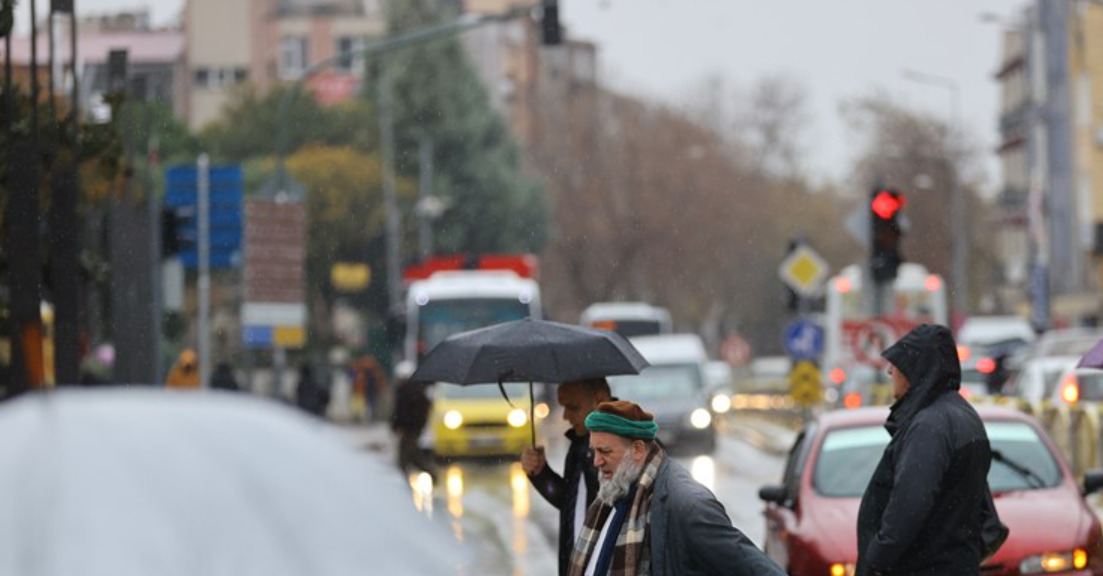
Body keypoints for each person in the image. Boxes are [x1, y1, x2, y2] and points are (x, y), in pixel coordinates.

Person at [568, 400, 785, 576]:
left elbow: (753, 568)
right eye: (593, 451)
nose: (596, 461)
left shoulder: (687, 504)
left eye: (605, 451)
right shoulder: (616, 492)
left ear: (636, 449)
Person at [856, 324, 1007, 576]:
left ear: (916, 370)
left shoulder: (929, 426)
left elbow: (909, 505)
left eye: (898, 363)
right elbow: (981, 511)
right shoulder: (963, 416)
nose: (890, 370)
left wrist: (877, 560)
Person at [521, 378, 611, 576]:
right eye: (563, 407)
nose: (565, 416)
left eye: (573, 407)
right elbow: (571, 503)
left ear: (600, 400)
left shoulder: (622, 448)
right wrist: (541, 473)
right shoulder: (579, 443)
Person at [390, 374, 434, 478]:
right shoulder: (416, 391)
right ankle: (428, 471)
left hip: (409, 429)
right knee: (412, 453)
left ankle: (427, 472)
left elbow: (401, 411)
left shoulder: (407, 392)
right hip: (413, 428)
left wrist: (397, 425)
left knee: (406, 455)